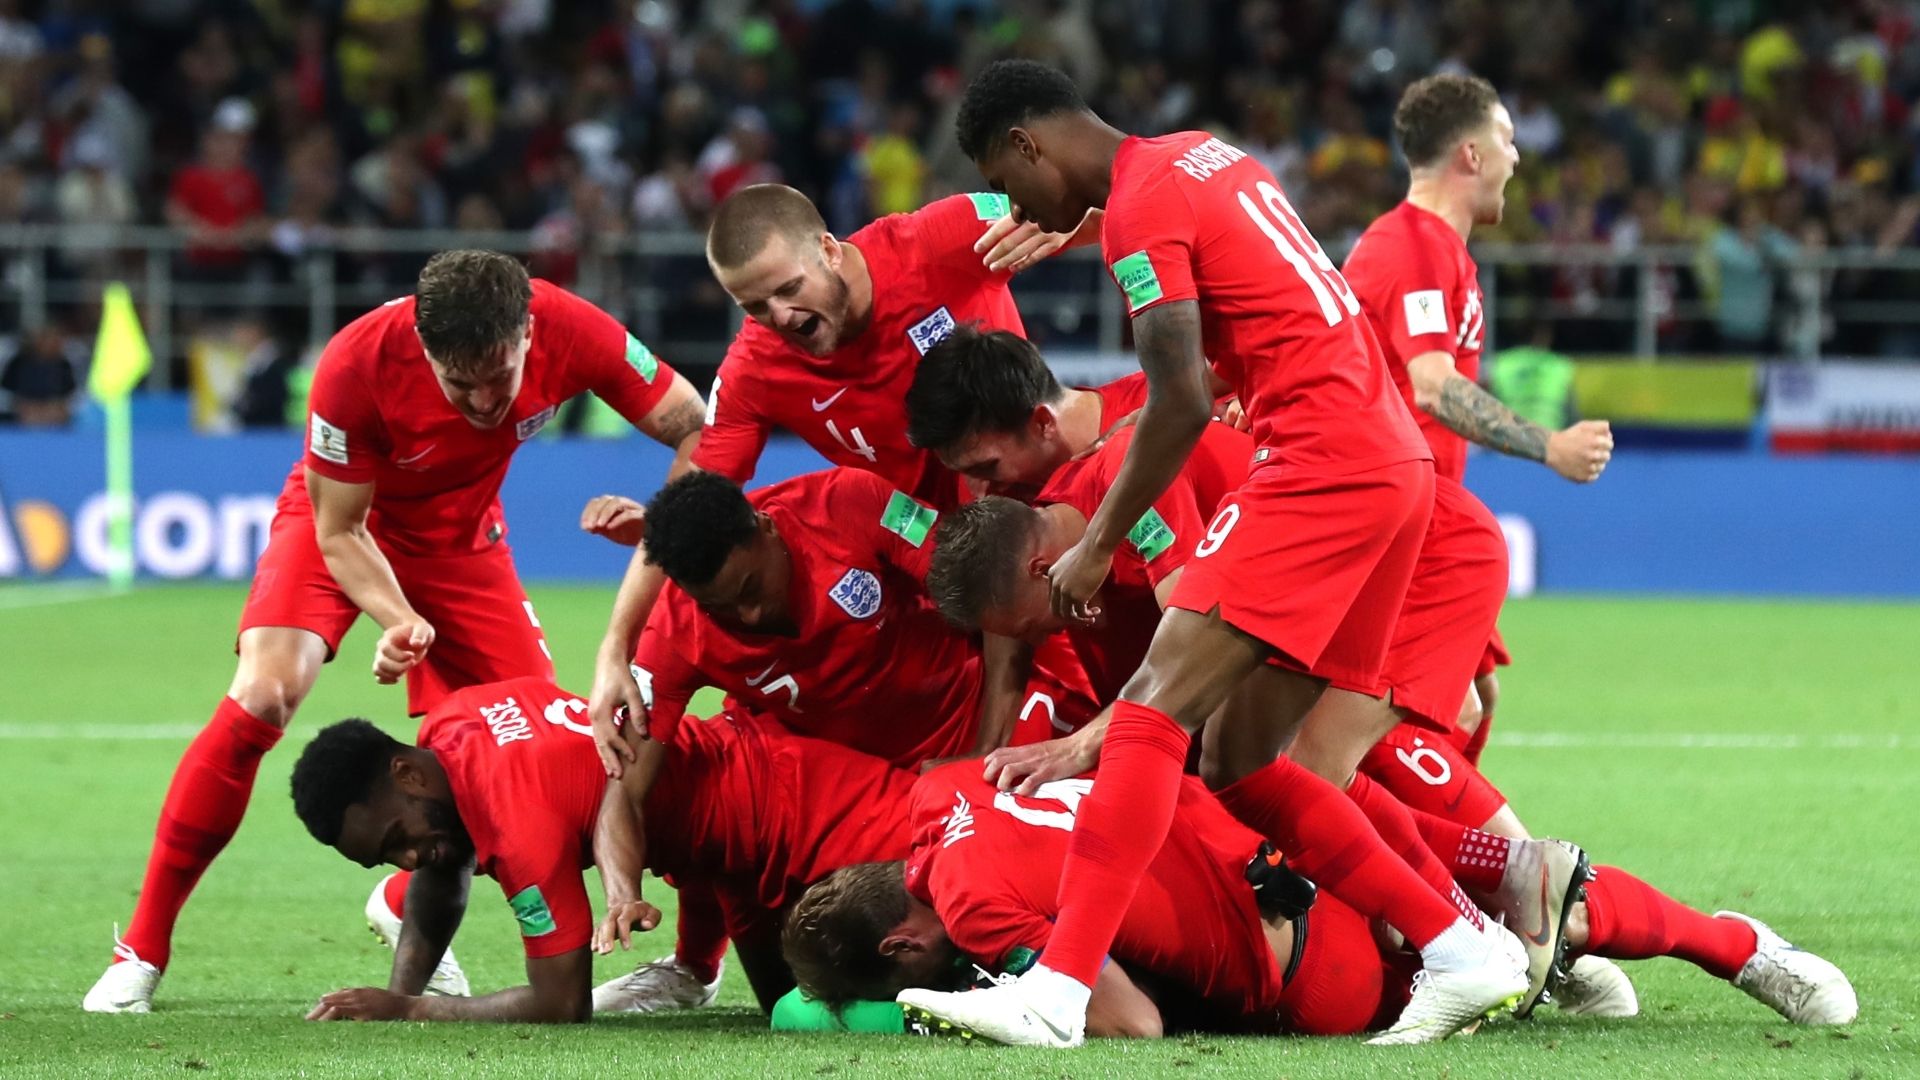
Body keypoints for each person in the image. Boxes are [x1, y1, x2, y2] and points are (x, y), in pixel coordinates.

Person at [899, 58, 1521, 1048]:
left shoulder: (1143, 212)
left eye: (1012, 182)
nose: (1022, 208)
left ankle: (1057, 993)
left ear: (1027, 142)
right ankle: (1458, 944)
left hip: (1322, 458)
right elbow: (1251, 305)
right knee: (1239, 759)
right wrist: (1102, 237)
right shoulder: (1205, 158)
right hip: (1391, 460)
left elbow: (1179, 399)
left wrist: (1098, 545)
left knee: (1151, 707)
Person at [83, 251, 706, 1015]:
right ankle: (140, 950)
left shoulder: (574, 329)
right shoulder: (355, 363)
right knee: (267, 691)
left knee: (537, 762)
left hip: (465, 543)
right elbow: (338, 529)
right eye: (459, 383)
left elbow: (697, 427)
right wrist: (399, 617)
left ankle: (402, 896)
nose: (483, 400)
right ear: (421, 344)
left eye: (499, 377)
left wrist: (664, 527)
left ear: (528, 333)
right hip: (345, 525)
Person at [581, 183, 1094, 783]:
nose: (780, 318)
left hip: (1062, 507)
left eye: (788, 289)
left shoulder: (934, 241)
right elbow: (688, 504)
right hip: (949, 564)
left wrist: (1076, 228)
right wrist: (615, 646)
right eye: (754, 307)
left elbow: (1107, 209)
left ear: (828, 249)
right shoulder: (756, 367)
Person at [787, 763, 1857, 1037]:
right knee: (1506, 880)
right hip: (1296, 828)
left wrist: (969, 996)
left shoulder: (971, 917)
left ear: (902, 942)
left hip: (1306, 961)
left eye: (924, 970)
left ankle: (1542, 959)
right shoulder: (952, 795)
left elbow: (1130, 1021)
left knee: (1514, 936)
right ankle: (1730, 946)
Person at [287, 675, 917, 1022]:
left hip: (803, 810)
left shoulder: (519, 827)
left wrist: (415, 1010)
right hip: (734, 863)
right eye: (386, 860)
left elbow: (560, 1003)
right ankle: (693, 970)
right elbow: (445, 865)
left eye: (399, 841)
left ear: (407, 775)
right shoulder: (453, 721)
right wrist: (398, 994)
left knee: (942, 927)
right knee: (794, 1017)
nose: (407, 863)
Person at [1342, 72, 1615, 762]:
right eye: (1507, 137)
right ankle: (1332, 844)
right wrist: (1549, 445)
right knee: (1437, 710)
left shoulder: (1439, 252)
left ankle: (1416, 848)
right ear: (1470, 154)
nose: (1516, 156)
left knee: (1476, 695)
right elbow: (1432, 386)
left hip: (1427, 509)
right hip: (1395, 514)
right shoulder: (1410, 246)